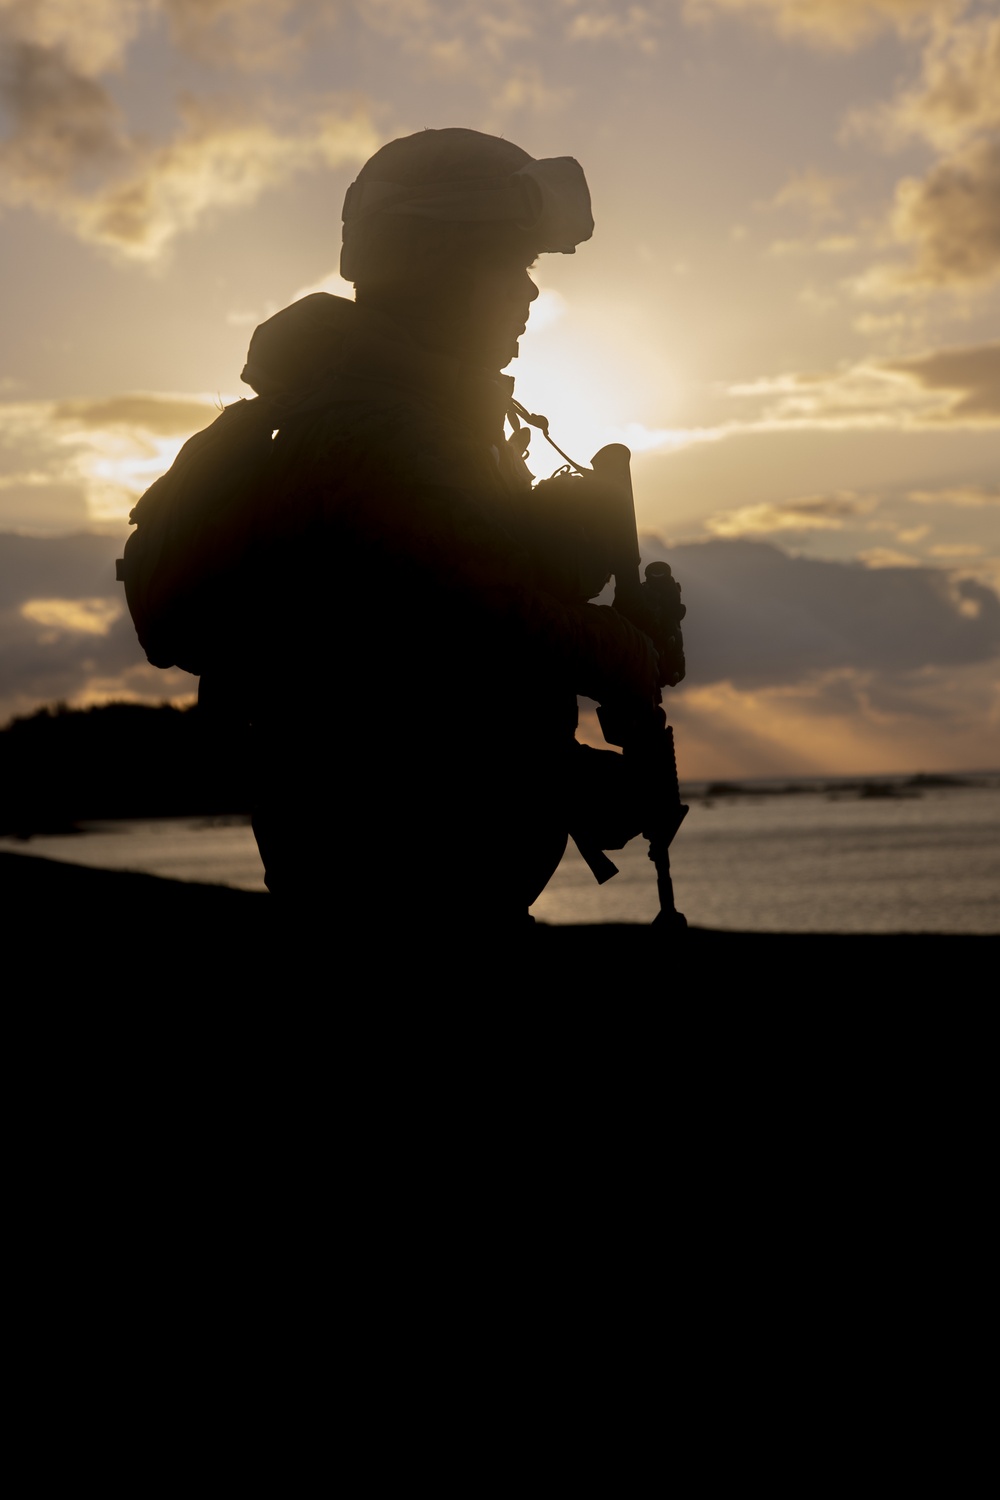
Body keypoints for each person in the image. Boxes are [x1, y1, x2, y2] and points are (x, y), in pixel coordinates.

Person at [234, 128, 660, 946]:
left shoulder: (430, 424)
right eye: (510, 263)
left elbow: (430, 702)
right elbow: (467, 621)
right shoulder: (371, 428)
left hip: (443, 899)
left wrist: (563, 780)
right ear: (431, 263)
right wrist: (618, 652)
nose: (529, 294)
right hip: (390, 911)